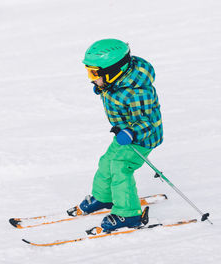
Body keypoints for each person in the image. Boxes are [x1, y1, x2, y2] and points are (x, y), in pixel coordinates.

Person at [67, 39, 163, 232]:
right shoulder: (115, 82)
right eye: (89, 71)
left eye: (94, 73)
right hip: (124, 133)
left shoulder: (137, 92)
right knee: (106, 161)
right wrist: (102, 86)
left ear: (113, 71)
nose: (90, 77)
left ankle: (129, 214)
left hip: (142, 138)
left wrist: (132, 131)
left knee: (120, 168)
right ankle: (104, 197)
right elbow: (113, 94)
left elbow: (147, 121)